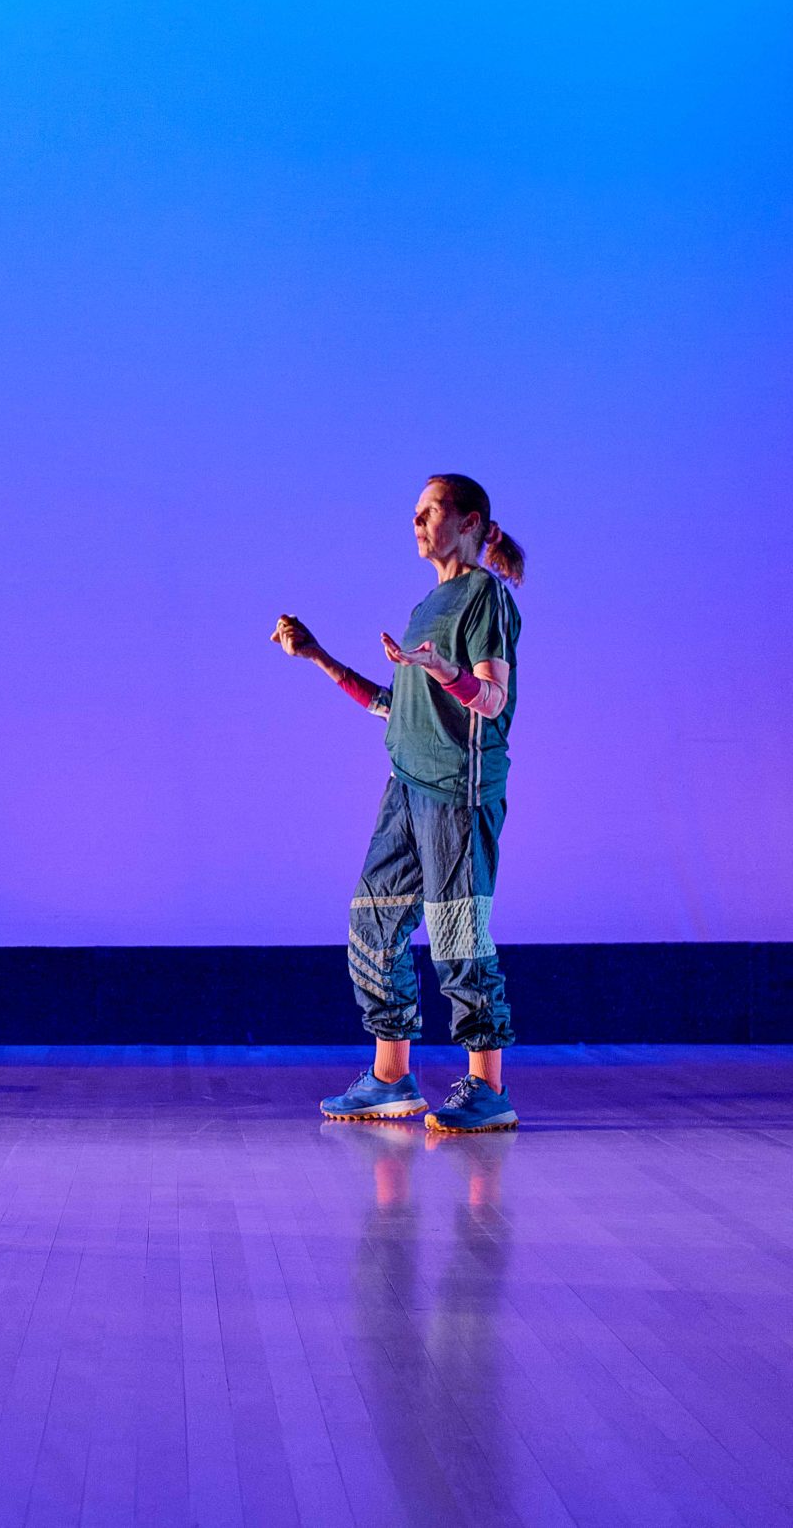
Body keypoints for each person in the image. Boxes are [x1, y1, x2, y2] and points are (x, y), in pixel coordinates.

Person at [273, 474, 527, 1134]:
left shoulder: (485, 596)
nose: (417, 521)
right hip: (406, 788)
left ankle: (487, 1086)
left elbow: (493, 700)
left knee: (455, 935)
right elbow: (397, 707)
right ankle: (391, 1077)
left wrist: (443, 669)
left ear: (470, 520)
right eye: (414, 512)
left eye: (431, 509)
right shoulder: (427, 606)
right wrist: (318, 656)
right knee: (372, 923)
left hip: (456, 792)